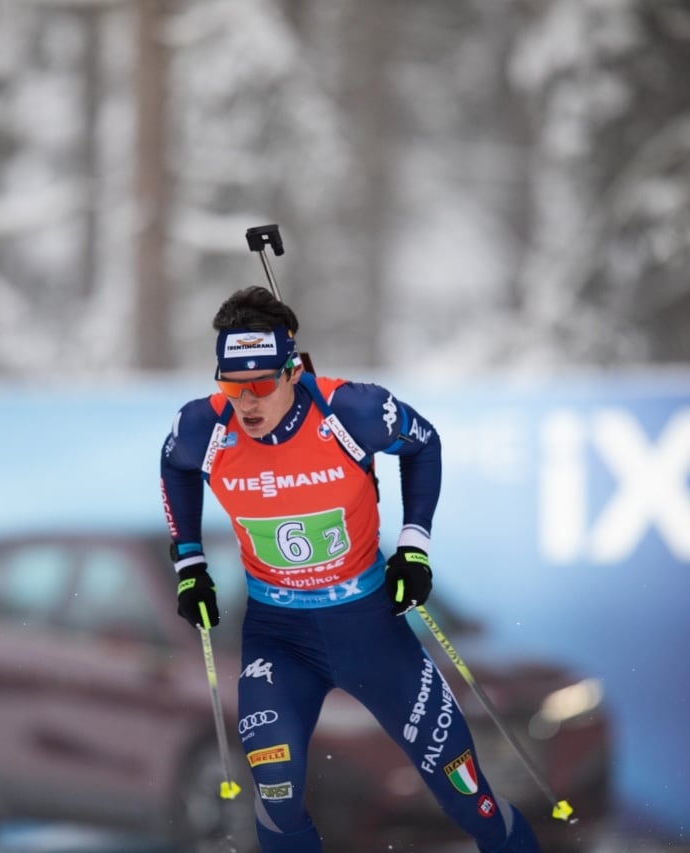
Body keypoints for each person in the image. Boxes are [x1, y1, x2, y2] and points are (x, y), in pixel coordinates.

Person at [159, 285, 541, 853]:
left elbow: (423, 443)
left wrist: (414, 546)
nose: (246, 402)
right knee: (277, 791)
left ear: (291, 370)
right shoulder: (204, 428)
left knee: (465, 795)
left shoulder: (350, 412)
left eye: (261, 384)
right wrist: (189, 561)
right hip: (279, 636)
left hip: (370, 628)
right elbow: (174, 466)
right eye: (231, 385)